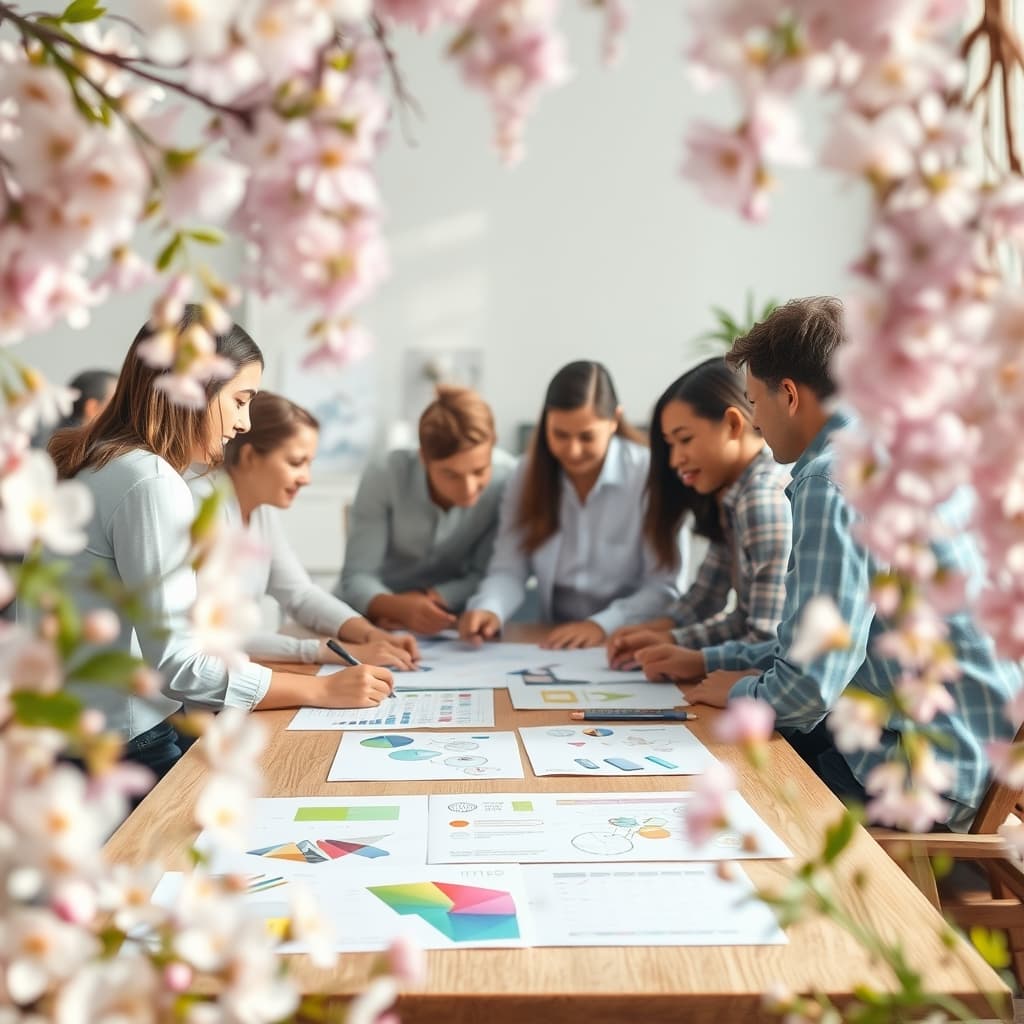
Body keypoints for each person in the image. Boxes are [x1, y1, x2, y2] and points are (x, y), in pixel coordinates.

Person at [668, 296, 1021, 828]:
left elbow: (807, 691)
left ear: (788, 394)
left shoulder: (831, 479)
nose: (756, 421)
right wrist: (711, 660)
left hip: (927, 775)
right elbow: (814, 646)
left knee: (718, 772)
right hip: (982, 760)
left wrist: (737, 688)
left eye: (754, 401)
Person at [48, 305, 392, 780]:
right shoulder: (150, 481)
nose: (245, 421)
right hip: (123, 742)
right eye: (239, 400)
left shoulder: (101, 463)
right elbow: (180, 665)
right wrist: (320, 690)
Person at [459, 360, 686, 649]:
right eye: (560, 434)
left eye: (586, 436)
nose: (572, 450)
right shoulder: (527, 474)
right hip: (553, 640)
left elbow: (664, 586)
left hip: (629, 640)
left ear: (615, 420)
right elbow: (509, 568)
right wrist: (489, 608)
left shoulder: (650, 476)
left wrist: (600, 625)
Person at [207, 391, 420, 668]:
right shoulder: (206, 513)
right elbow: (217, 637)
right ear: (249, 456)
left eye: (309, 464)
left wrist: (371, 634)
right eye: (296, 463)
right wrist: (325, 651)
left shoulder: (260, 511)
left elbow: (300, 594)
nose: (306, 479)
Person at [605, 356, 791, 671]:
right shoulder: (733, 495)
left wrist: (695, 659)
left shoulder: (761, 498)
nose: (675, 459)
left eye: (685, 439)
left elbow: (764, 638)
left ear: (733, 424)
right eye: (669, 444)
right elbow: (710, 598)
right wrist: (666, 635)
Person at [337, 386, 517, 635]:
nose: (468, 488)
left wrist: (431, 598)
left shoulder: (508, 479)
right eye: (450, 474)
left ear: (493, 449)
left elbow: (489, 573)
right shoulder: (385, 475)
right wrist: (393, 607)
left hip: (454, 622)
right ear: (424, 458)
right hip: (370, 618)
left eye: (479, 471)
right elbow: (357, 576)